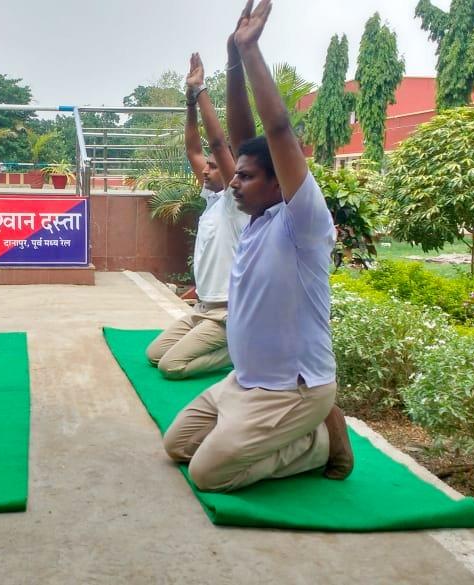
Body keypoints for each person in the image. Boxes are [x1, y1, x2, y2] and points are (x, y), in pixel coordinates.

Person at [162, 0, 353, 492]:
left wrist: (250, 51)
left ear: (277, 183)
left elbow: (276, 132)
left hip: (292, 390)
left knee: (207, 474)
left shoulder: (303, 223)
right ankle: (265, 432)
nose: (234, 183)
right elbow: (240, 141)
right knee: (177, 447)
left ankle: (319, 442)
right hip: (242, 383)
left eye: (246, 177)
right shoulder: (254, 218)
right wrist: (229, 59)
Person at [145, 53, 249, 380]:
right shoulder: (213, 199)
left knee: (171, 366)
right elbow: (194, 150)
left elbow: (218, 144)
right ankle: (228, 346)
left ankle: (239, 352)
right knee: (154, 354)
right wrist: (189, 102)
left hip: (226, 315)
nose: (205, 169)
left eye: (214, 165)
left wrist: (201, 88)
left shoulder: (236, 202)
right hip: (201, 311)